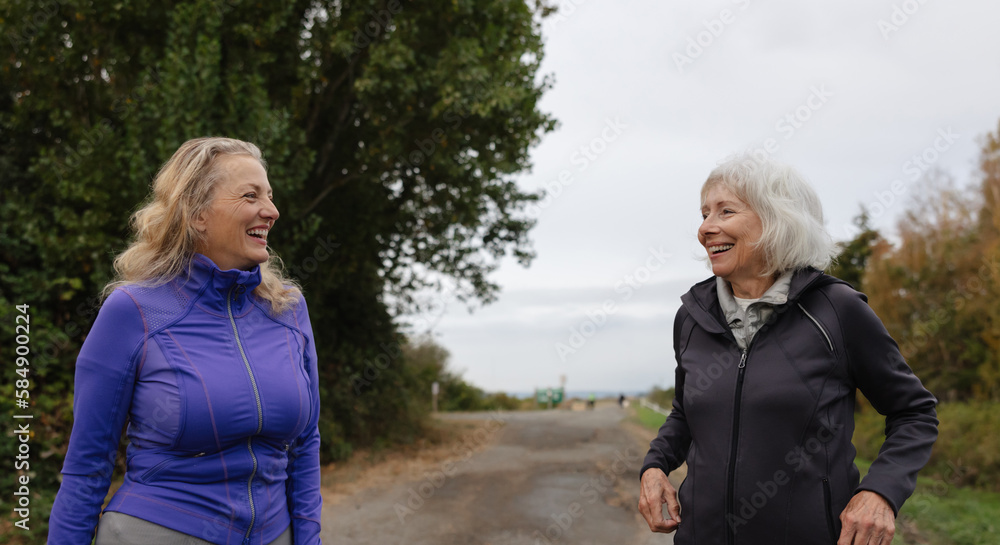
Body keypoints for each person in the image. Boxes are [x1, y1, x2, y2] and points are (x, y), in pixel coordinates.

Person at [638, 153, 938, 544]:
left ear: (778, 219)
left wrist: (880, 491)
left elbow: (914, 412)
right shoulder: (693, 317)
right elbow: (685, 412)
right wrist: (655, 466)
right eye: (704, 213)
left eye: (726, 211)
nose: (706, 228)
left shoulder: (837, 310)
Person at [48, 137, 322, 544]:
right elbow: (88, 465)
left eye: (270, 195)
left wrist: (309, 538)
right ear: (196, 215)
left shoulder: (288, 309)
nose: (271, 210)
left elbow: (305, 444)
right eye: (251, 195)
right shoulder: (133, 311)